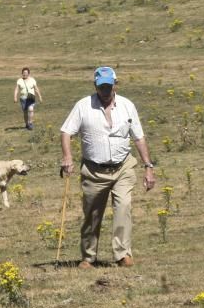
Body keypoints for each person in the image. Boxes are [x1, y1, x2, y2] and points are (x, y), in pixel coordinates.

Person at [60, 66, 155, 269]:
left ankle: (122, 255)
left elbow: (138, 137)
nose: (105, 91)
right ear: (95, 86)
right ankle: (88, 257)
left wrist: (148, 166)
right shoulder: (83, 106)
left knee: (123, 208)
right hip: (94, 171)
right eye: (101, 87)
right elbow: (66, 132)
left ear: (115, 85)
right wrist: (67, 157)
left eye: (108, 86)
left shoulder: (128, 106)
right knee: (92, 215)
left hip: (123, 168)